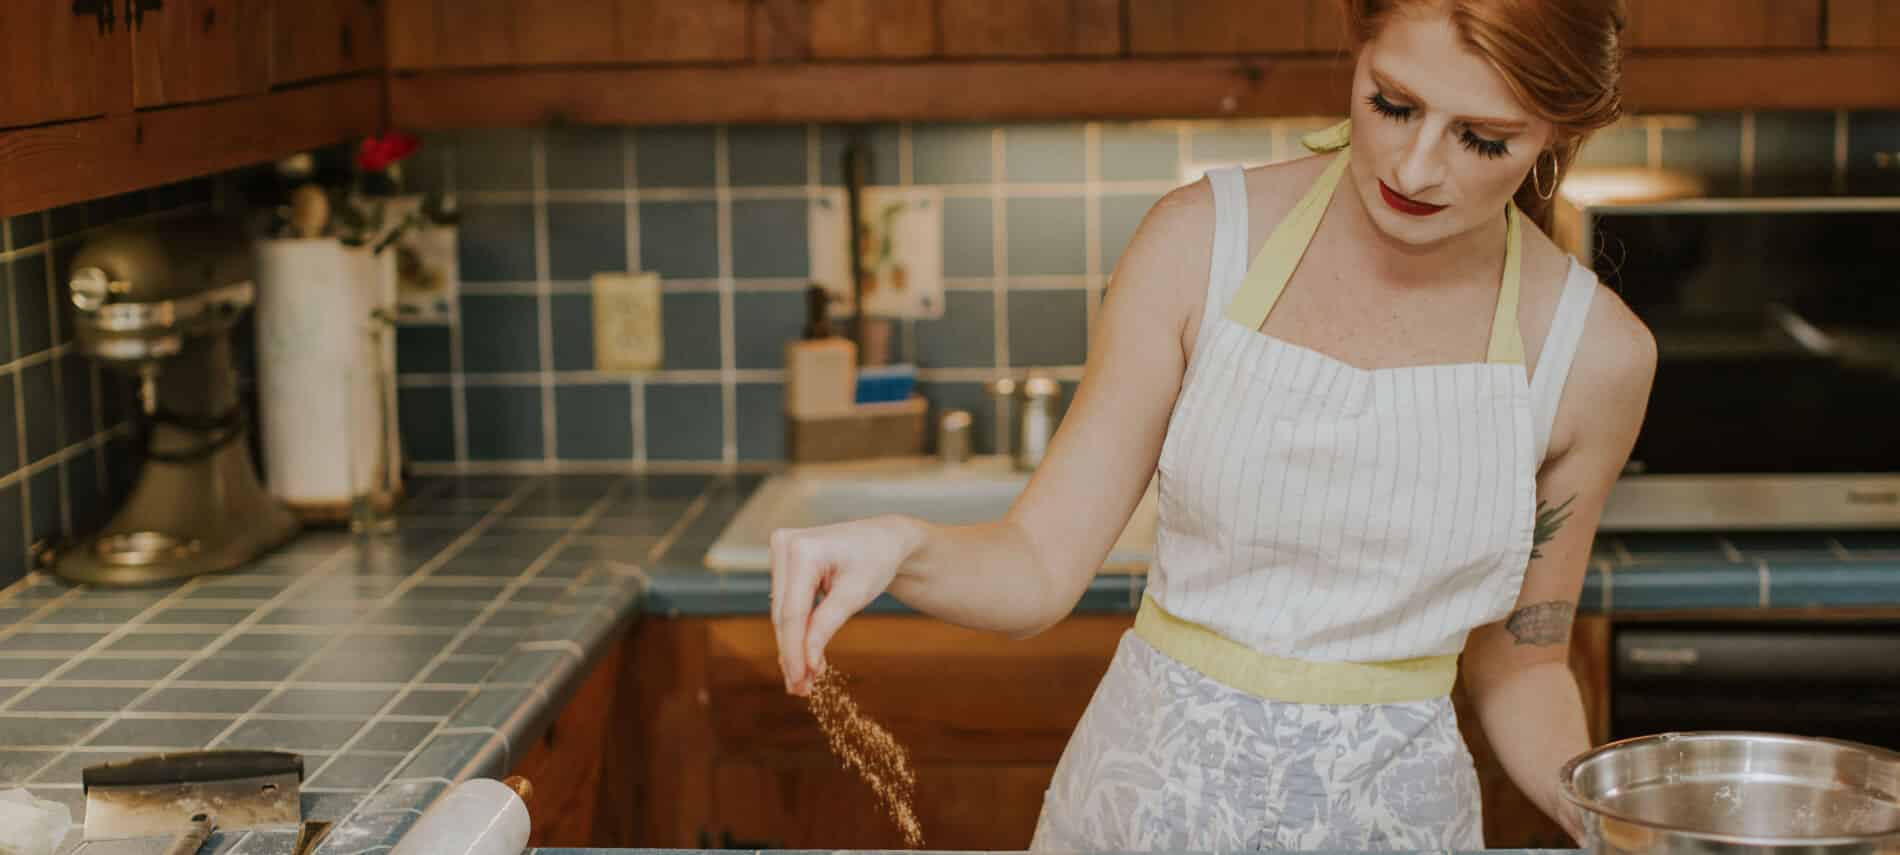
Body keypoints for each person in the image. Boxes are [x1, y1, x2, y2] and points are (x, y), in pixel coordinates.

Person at [767, 0, 1655, 848]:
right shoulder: (1199, 243)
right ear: (1357, 47)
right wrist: (901, 545)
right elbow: (1036, 564)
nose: (1416, 168)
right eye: (1392, 103)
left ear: (1556, 132)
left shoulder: (1594, 355)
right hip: (1138, 816)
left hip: (1393, 828)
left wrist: (1613, 823)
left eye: (1482, 138)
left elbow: (1525, 661)